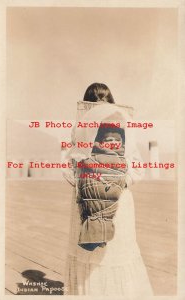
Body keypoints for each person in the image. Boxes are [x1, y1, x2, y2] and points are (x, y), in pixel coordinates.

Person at [63, 83, 153, 296]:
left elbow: (68, 172)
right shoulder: (124, 122)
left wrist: (88, 180)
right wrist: (119, 181)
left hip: (86, 202)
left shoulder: (80, 126)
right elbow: (137, 169)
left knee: (91, 251)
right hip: (118, 199)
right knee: (115, 254)